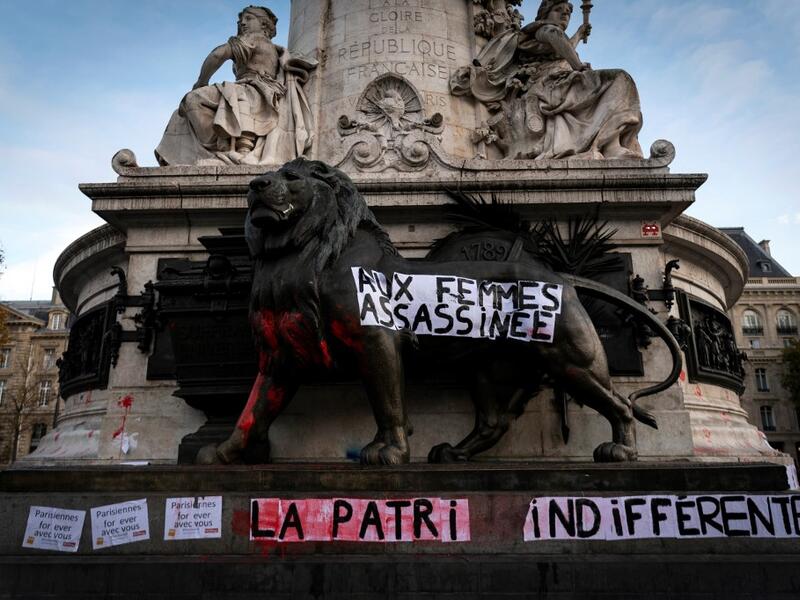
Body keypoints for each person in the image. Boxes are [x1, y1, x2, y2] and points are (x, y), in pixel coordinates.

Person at [451, 0, 643, 160]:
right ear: (545, 13)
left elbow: (560, 47)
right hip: (548, 86)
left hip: (561, 83)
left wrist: (578, 34)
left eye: (568, 12)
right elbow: (555, 37)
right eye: (558, 10)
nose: (564, 15)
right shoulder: (542, 29)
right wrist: (577, 65)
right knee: (619, 79)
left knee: (619, 83)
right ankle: (610, 145)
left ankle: (611, 144)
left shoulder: (547, 36)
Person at [155, 6, 317, 166]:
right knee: (182, 113)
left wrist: (201, 82)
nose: (242, 23)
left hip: (254, 92)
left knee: (193, 99)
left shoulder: (255, 39)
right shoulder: (268, 45)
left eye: (248, 18)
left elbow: (218, 55)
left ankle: (220, 149)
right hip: (253, 90)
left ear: (264, 25)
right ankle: (221, 147)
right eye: (240, 20)